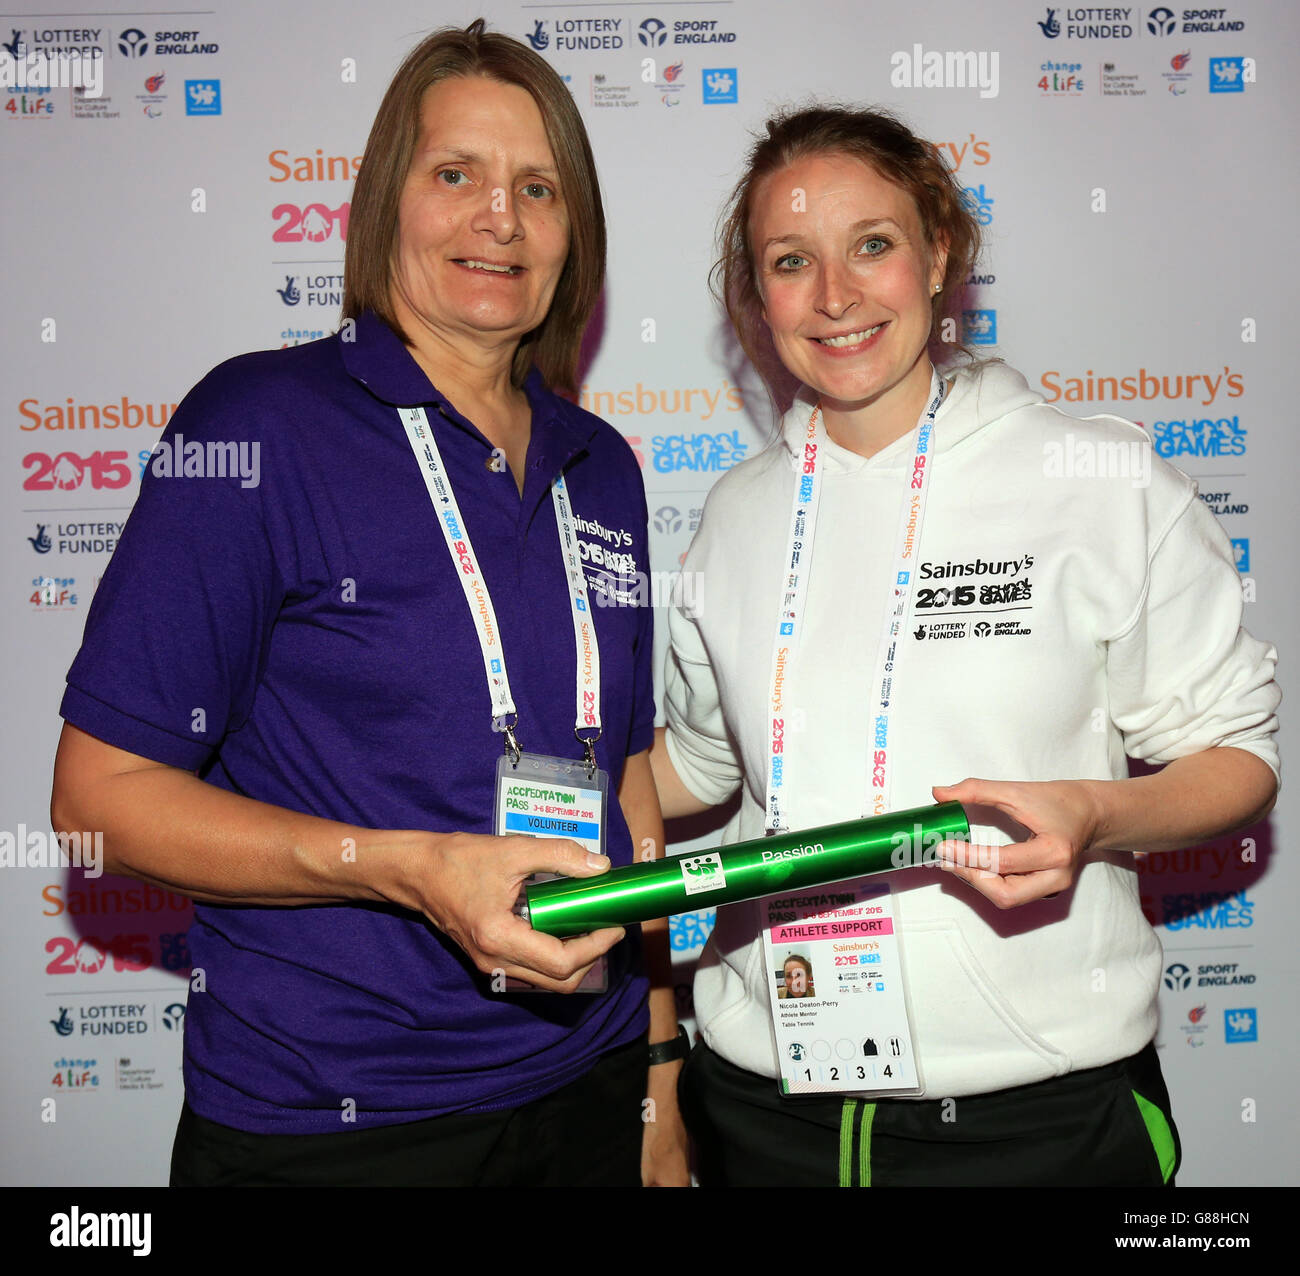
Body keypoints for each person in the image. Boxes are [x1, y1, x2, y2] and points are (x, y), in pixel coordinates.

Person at [50, 20, 688, 1188]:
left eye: (537, 187)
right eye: (458, 174)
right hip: (335, 1121)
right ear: (387, 199)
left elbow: (626, 783)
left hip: (585, 1084)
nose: (499, 215)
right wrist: (405, 867)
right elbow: (103, 800)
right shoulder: (256, 428)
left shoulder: (604, 467)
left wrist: (656, 1072)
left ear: (572, 236)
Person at [651, 106, 1279, 1187]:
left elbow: (1235, 757)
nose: (836, 296)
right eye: (791, 261)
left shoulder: (1099, 482)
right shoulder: (736, 514)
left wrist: (1098, 817)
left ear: (940, 254)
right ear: (756, 299)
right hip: (767, 1109)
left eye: (873, 245)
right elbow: (697, 766)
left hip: (1036, 1124)